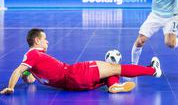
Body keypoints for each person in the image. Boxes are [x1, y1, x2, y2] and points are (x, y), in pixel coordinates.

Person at [0, 29, 162, 95]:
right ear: (36, 41)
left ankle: (113, 85)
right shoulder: (33, 54)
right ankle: (153, 70)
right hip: (75, 72)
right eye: (45, 39)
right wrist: (11, 87)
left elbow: (29, 77)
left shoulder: (32, 62)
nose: (47, 42)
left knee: (109, 72)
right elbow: (18, 71)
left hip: (72, 85)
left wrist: (27, 75)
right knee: (116, 67)